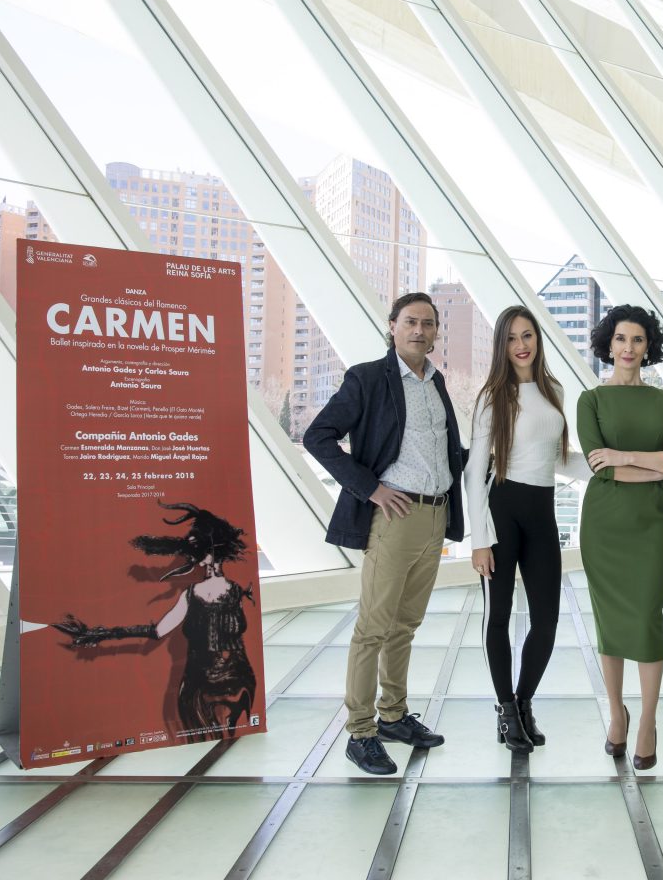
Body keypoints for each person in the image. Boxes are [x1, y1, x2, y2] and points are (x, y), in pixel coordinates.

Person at [304, 292, 465, 776]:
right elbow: (318, 436)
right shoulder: (369, 378)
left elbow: (447, 451)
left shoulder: (437, 385)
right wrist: (370, 488)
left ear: (437, 333)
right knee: (373, 627)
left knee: (406, 625)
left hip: (436, 516)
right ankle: (360, 732)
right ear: (392, 326)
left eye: (428, 323)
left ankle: (394, 716)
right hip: (394, 517)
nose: (420, 330)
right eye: (411, 322)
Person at [577, 304, 663, 771]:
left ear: (649, 347)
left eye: (638, 340)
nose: (628, 348)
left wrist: (626, 456)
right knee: (609, 623)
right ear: (609, 344)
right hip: (604, 526)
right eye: (621, 339)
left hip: (652, 526)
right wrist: (655, 459)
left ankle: (647, 720)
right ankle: (616, 714)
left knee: (646, 618)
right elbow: (598, 465)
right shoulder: (591, 401)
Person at [53, 501, 257, 742]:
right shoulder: (236, 593)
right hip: (236, 681)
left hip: (203, 687)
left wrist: (99, 634)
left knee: (205, 741)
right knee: (235, 740)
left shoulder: (193, 595)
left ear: (208, 552)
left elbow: (157, 631)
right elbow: (159, 631)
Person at [464, 306, 569, 753]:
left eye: (528, 336)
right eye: (512, 338)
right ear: (501, 346)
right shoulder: (494, 396)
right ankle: (506, 710)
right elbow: (473, 471)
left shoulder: (553, 390)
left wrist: (614, 462)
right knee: (499, 617)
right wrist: (480, 539)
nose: (522, 345)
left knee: (546, 619)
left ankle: (524, 702)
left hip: (543, 511)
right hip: (503, 509)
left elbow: (559, 458)